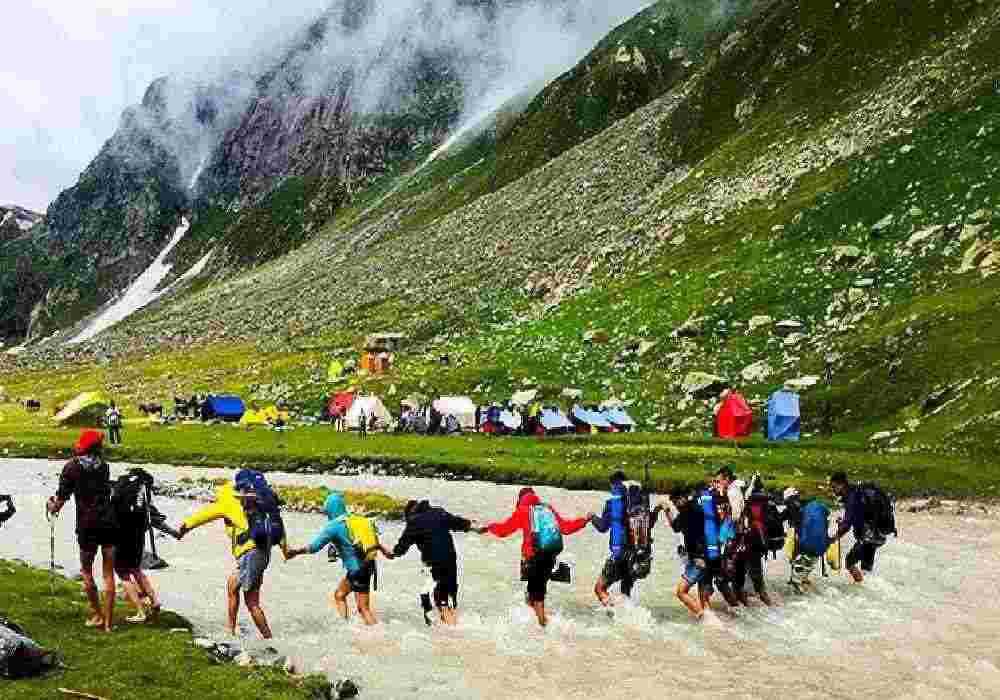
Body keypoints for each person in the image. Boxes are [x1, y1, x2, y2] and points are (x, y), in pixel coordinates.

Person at [177, 478, 284, 639]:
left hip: (251, 554)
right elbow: (277, 527)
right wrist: (285, 549)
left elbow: (203, 515)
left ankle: (269, 638)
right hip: (260, 553)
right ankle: (231, 630)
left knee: (251, 601)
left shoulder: (226, 502)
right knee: (232, 586)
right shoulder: (252, 501)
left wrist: (184, 527)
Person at [481, 487, 590, 627]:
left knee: (536, 597)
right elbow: (566, 528)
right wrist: (584, 520)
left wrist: (489, 527)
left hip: (534, 558)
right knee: (534, 595)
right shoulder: (547, 509)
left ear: (520, 500)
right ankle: (542, 626)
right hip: (550, 556)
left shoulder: (523, 510)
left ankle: (546, 627)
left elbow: (504, 530)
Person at [286, 492, 393, 625]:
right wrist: (385, 551)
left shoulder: (333, 526)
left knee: (363, 609)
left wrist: (295, 551)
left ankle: (378, 636)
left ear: (331, 509)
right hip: (368, 565)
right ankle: (345, 626)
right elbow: (372, 542)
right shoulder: (355, 519)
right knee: (340, 595)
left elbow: (314, 547)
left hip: (357, 570)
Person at [46, 430, 117, 632]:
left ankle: (97, 614)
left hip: (87, 524)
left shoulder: (71, 468)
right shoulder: (104, 466)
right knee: (108, 573)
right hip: (109, 521)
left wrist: (51, 506)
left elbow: (59, 502)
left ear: (83, 446)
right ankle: (109, 625)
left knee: (86, 571)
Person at [392, 500, 477, 625]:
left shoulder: (414, 522)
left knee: (438, 601)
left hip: (436, 565)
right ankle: (450, 625)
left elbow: (400, 548)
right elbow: (460, 523)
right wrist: (475, 527)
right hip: (451, 561)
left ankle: (453, 636)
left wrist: (390, 553)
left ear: (410, 514)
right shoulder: (439, 512)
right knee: (448, 599)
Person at [590, 471, 660, 606]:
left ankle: (616, 612)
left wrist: (592, 517)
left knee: (599, 588)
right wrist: (656, 511)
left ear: (613, 485)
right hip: (638, 554)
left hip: (620, 553)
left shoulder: (613, 504)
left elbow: (603, 527)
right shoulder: (639, 504)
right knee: (625, 590)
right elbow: (649, 524)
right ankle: (628, 616)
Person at [714, 465, 773, 606]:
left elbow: (735, 516)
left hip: (740, 539)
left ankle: (740, 612)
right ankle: (768, 607)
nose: (718, 484)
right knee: (755, 578)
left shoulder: (732, 491)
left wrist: (725, 517)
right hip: (752, 538)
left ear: (726, 478)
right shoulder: (741, 486)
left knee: (730, 578)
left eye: (719, 480)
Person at [110, 468, 161, 623]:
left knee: (122, 572)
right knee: (135, 568)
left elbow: (113, 506)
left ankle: (140, 612)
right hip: (139, 534)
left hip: (122, 534)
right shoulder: (143, 487)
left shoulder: (122, 484)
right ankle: (155, 600)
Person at [829, 471, 894, 583]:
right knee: (866, 570)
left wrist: (834, 538)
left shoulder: (852, 497)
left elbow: (847, 525)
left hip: (868, 537)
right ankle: (867, 588)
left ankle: (861, 586)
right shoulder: (858, 493)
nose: (833, 491)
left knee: (849, 562)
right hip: (879, 535)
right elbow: (855, 517)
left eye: (834, 487)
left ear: (841, 485)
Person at [662, 484, 710, 618]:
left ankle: (705, 620)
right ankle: (712, 626)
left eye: (676, 501)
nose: (675, 504)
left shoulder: (688, 511)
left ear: (683, 498)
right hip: (707, 557)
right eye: (673, 502)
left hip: (699, 560)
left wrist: (666, 510)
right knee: (704, 600)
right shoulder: (695, 508)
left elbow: (676, 526)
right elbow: (677, 527)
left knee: (681, 592)